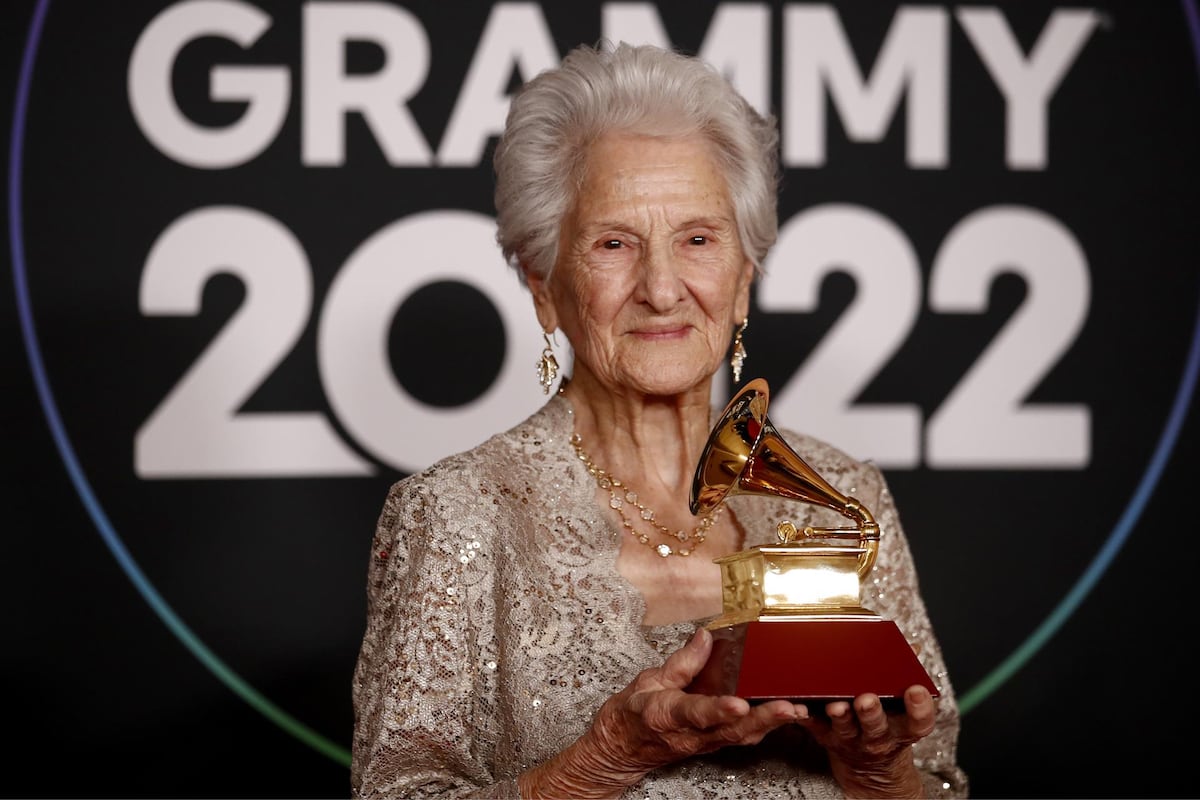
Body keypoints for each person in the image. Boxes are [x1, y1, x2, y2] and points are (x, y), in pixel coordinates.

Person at [351, 41, 968, 799]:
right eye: (614, 244)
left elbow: (939, 784)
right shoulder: (455, 516)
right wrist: (606, 756)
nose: (663, 289)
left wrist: (874, 768)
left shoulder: (851, 492)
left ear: (744, 278)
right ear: (543, 286)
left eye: (699, 240)